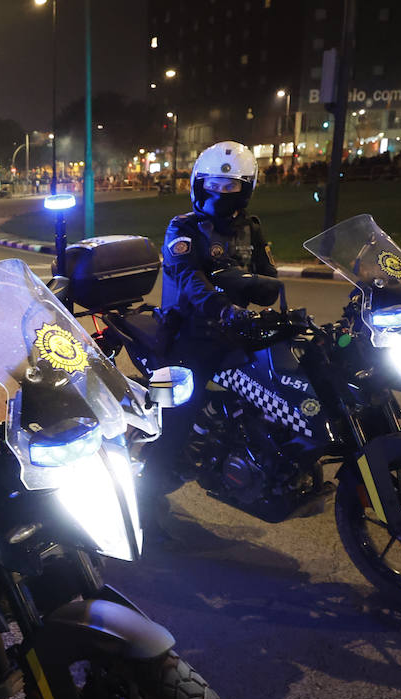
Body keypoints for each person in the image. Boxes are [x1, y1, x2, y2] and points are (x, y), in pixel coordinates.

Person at [144, 140, 278, 519]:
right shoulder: (182, 227)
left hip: (234, 333)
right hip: (184, 338)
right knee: (174, 425)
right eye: (213, 185)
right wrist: (225, 307)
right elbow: (190, 280)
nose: (219, 193)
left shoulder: (252, 229)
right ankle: (143, 507)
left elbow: (268, 280)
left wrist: (264, 291)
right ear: (198, 184)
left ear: (246, 189)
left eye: (230, 186)